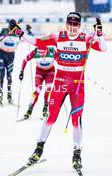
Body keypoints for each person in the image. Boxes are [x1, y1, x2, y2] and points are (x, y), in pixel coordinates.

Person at [12, 12, 106, 170]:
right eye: (70, 24)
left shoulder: (86, 38)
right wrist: (20, 32)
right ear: (66, 24)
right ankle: (38, 149)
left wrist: (99, 34)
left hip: (77, 84)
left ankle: (77, 154)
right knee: (50, 117)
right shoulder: (58, 36)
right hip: (60, 84)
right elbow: (36, 41)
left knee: (76, 119)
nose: (72, 27)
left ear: (79, 26)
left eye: (75, 24)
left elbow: (103, 48)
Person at [0, 20, 22, 105]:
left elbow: (27, 36)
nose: (12, 28)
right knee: (2, 74)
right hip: (2, 55)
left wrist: (21, 31)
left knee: (9, 76)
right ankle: (0, 93)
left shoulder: (18, 32)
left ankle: (9, 96)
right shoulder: (4, 31)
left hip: (11, 56)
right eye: (12, 26)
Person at [19, 45, 56, 120]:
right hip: (39, 71)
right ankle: (30, 108)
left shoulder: (52, 52)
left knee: (48, 89)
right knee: (37, 90)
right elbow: (25, 60)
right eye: (40, 53)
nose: (41, 55)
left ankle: (46, 106)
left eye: (43, 53)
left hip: (50, 71)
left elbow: (61, 61)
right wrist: (22, 71)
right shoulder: (35, 52)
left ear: (47, 50)